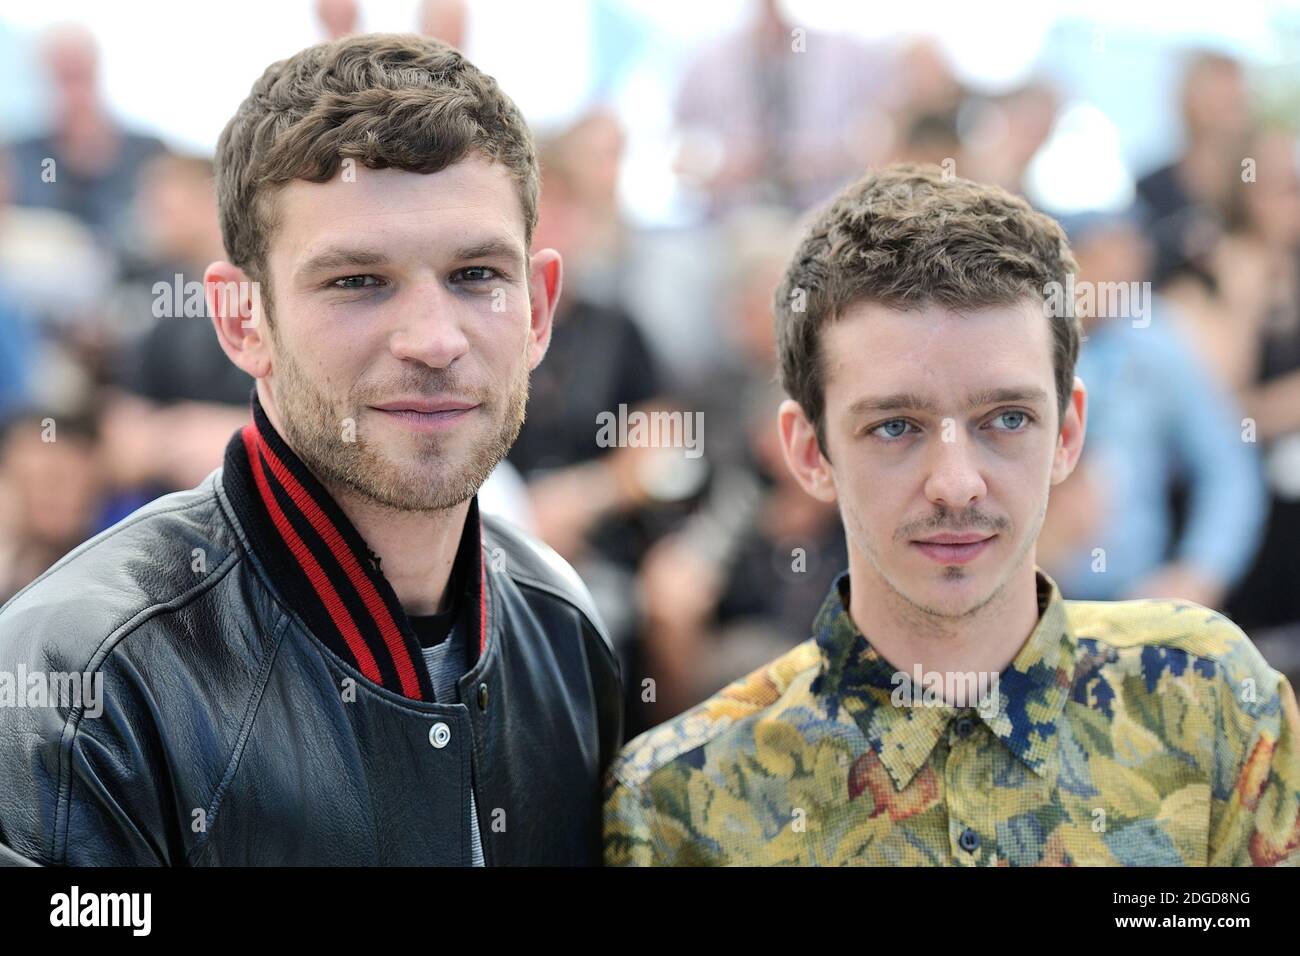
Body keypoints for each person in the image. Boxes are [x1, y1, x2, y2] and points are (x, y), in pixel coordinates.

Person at [0, 33, 621, 866]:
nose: (434, 340)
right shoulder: (85, 682)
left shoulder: (563, 628)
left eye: (476, 274)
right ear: (240, 318)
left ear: (540, 308)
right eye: (357, 281)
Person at [603, 164, 1300, 866]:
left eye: (1006, 418)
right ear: (808, 452)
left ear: (1067, 433)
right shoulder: (676, 803)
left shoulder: (1212, 703)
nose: (957, 484)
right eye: (896, 427)